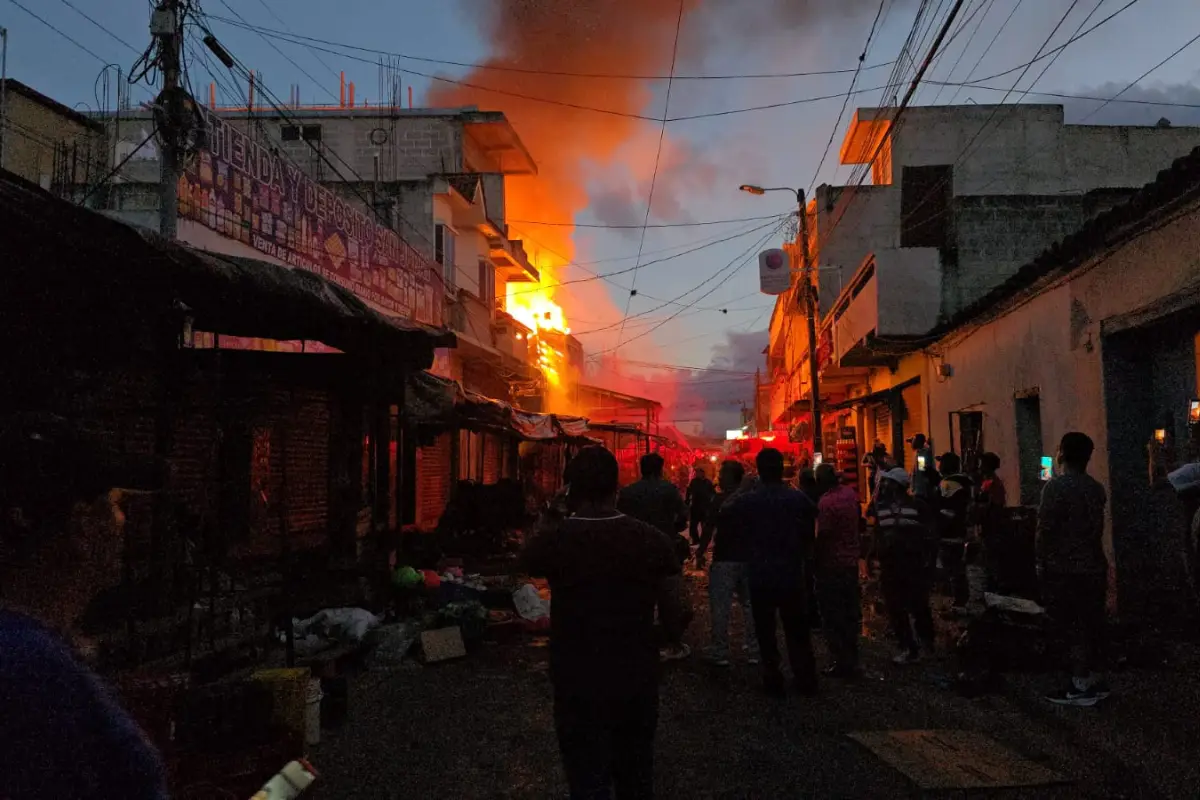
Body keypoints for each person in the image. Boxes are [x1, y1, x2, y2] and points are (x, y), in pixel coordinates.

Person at [0, 413, 168, 799]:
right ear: (81, 527)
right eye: (114, 504)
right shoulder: (33, 669)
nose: (124, 521)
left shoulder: (40, 651)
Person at [524, 445, 691, 798]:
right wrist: (666, 638)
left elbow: (529, 555)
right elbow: (677, 609)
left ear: (571, 491)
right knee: (635, 774)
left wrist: (553, 511)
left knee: (587, 778)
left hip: (576, 676)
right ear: (616, 488)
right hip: (635, 674)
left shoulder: (556, 541)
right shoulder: (653, 541)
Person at [721, 448, 818, 696]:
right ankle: (805, 678)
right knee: (797, 630)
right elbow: (812, 515)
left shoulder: (750, 499)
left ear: (759, 471)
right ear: (781, 469)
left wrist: (742, 488)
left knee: (765, 631)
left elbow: (725, 512)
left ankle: (772, 677)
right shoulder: (794, 497)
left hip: (761, 575)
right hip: (791, 574)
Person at [1037, 432, 1110, 707]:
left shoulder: (1055, 488)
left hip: (1066, 567)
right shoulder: (1095, 488)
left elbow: (1044, 529)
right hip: (1093, 565)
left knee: (1071, 625)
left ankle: (1078, 684)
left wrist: (1040, 560)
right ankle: (1093, 678)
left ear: (1062, 453)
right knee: (1091, 622)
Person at [619, 453, 692, 661]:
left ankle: (639, 640)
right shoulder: (669, 489)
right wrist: (673, 529)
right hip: (663, 548)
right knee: (669, 599)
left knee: (640, 597)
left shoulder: (628, 492)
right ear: (660, 469)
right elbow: (683, 515)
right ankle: (671, 643)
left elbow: (621, 518)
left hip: (636, 550)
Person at [696, 460, 760, 667]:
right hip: (749, 560)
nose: (719, 477)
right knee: (751, 607)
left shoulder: (721, 500)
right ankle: (754, 650)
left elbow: (708, 528)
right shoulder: (751, 500)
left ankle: (720, 650)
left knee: (721, 607)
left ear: (732, 477)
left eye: (722, 474)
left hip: (724, 561)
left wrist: (700, 552)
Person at [875, 467, 937, 664]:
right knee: (895, 607)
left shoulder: (918, 506)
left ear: (898, 485)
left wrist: (931, 562)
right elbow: (878, 534)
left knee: (918, 605)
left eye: (888, 482)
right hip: (890, 564)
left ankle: (926, 644)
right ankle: (908, 646)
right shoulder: (882, 507)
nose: (885, 485)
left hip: (913, 563)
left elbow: (931, 535)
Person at [814, 463, 862, 678]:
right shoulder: (849, 494)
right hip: (850, 563)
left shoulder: (826, 503)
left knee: (833, 614)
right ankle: (852, 656)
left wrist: (814, 559)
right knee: (850, 612)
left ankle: (840, 660)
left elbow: (823, 536)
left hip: (832, 565)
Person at [934, 452, 974, 612]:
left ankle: (958, 602)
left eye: (941, 462)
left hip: (949, 533)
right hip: (960, 530)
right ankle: (960, 600)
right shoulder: (964, 482)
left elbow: (946, 510)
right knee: (958, 567)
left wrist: (938, 526)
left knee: (952, 568)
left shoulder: (948, 485)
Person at [974, 452, 1009, 592]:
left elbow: (993, 507)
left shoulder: (993, 484)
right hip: (987, 527)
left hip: (991, 528)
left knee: (991, 561)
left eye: (981, 464)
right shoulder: (987, 482)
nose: (979, 467)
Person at [685, 467, 715, 547]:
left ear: (703, 473)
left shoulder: (708, 482)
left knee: (704, 525)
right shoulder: (694, 482)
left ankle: (703, 541)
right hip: (695, 506)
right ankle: (696, 539)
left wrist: (711, 502)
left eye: (699, 472)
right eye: (697, 473)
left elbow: (713, 493)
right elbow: (689, 491)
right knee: (693, 525)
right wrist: (687, 501)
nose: (697, 474)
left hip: (705, 506)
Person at [909, 434, 936, 500]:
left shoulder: (922, 454)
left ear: (918, 442)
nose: (912, 443)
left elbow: (921, 471)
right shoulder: (918, 453)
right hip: (918, 489)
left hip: (921, 491)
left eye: (913, 440)